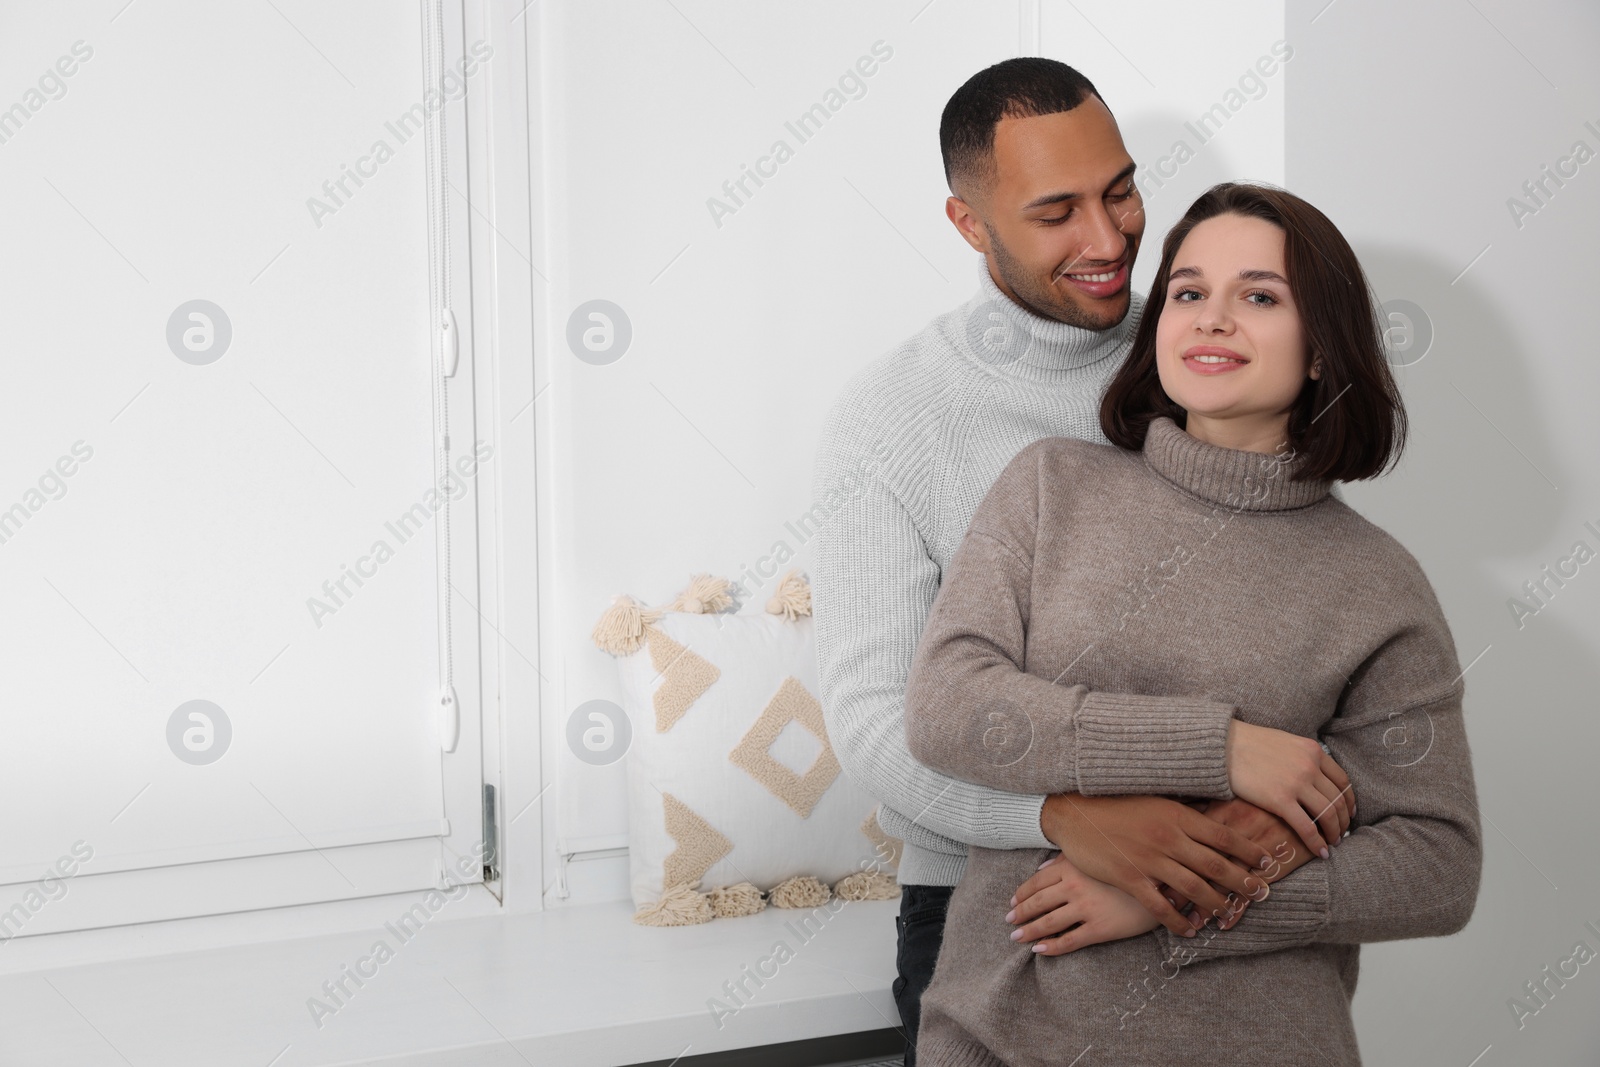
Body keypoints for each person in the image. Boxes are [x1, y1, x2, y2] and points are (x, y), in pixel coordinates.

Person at [811, 60, 1356, 1063]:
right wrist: (1061, 817)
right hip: (998, 902)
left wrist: (1256, 833)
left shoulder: (1203, 346)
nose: (1108, 240)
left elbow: (1319, 630)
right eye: (1057, 210)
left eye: (1120, 191)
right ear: (968, 224)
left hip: (1229, 883)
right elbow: (880, 724)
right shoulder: (890, 419)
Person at [900, 181, 1484, 1065]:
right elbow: (948, 707)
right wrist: (1220, 748)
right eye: (1187, 291)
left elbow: (1437, 862)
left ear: (1324, 347)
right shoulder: (1051, 487)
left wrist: (1174, 896)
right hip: (1001, 1035)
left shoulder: (1377, 583)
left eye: (1259, 296)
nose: (1212, 318)